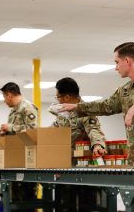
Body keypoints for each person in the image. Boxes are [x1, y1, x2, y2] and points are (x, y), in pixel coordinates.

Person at [60, 42, 134, 211]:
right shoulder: (125, 90)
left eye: (117, 62)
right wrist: (77, 107)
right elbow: (106, 106)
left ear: (127, 60)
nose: (115, 67)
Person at [50, 77, 107, 211]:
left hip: (84, 167)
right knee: (64, 203)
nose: (57, 100)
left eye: (58, 97)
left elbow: (94, 129)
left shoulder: (85, 111)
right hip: (65, 165)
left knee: (86, 203)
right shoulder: (62, 112)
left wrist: (98, 145)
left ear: (67, 97)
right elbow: (54, 128)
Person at [0, 82, 38, 206]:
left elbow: (33, 130)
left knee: (25, 198)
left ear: (9, 95)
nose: (4, 101)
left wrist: (10, 127)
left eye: (4, 97)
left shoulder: (28, 107)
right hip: (15, 157)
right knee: (14, 197)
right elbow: (14, 132)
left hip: (26, 159)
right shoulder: (13, 111)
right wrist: (5, 132)